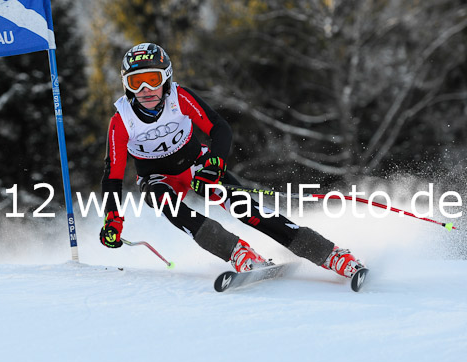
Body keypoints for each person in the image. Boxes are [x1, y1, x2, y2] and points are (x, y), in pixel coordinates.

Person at [99, 42, 365, 280]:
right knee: (163, 200)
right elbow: (112, 176)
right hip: (157, 178)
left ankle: (330, 254)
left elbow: (219, 128)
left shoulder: (179, 99)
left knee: (246, 209)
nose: (145, 90)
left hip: (196, 165)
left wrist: (214, 164)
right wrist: (113, 220)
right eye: (136, 83)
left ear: (166, 79)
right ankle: (238, 253)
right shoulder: (121, 121)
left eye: (152, 80)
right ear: (126, 86)